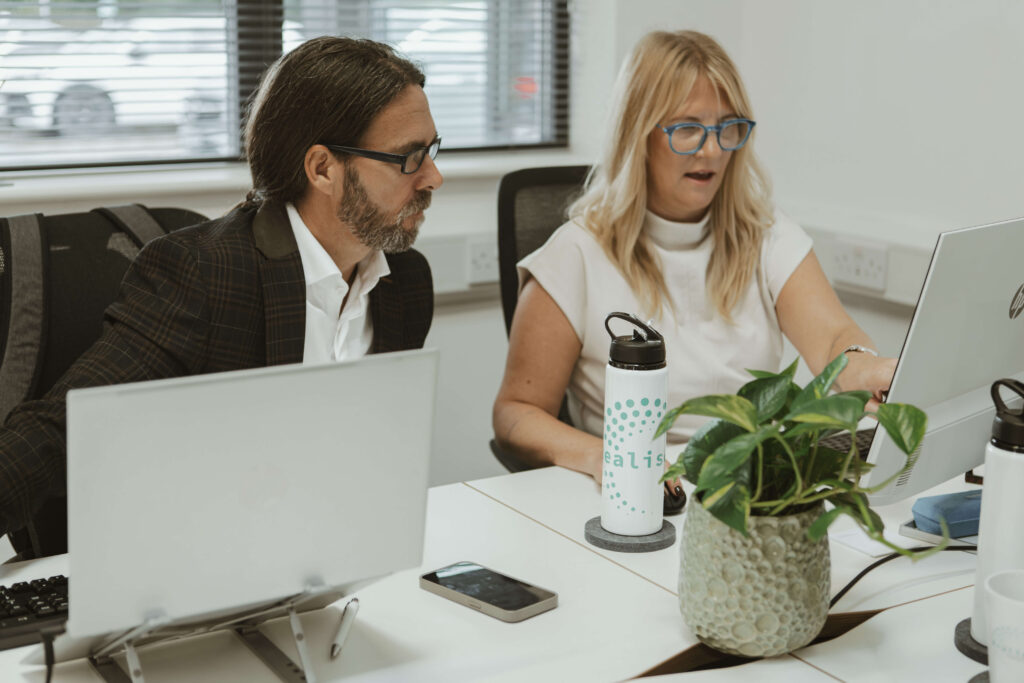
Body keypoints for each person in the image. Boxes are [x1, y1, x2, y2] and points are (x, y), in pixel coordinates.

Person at [0, 36, 444, 556]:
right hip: (202, 561)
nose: (434, 177)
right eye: (409, 158)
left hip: (334, 555)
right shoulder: (204, 273)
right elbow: (64, 430)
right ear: (323, 168)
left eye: (432, 150)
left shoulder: (405, 283)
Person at [492, 30, 895, 482]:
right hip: (640, 488)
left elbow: (834, 338)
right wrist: (605, 458)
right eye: (687, 129)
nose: (713, 150)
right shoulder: (575, 254)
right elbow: (516, 413)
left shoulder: (765, 233)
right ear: (638, 135)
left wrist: (866, 368)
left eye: (727, 127)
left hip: (753, 480)